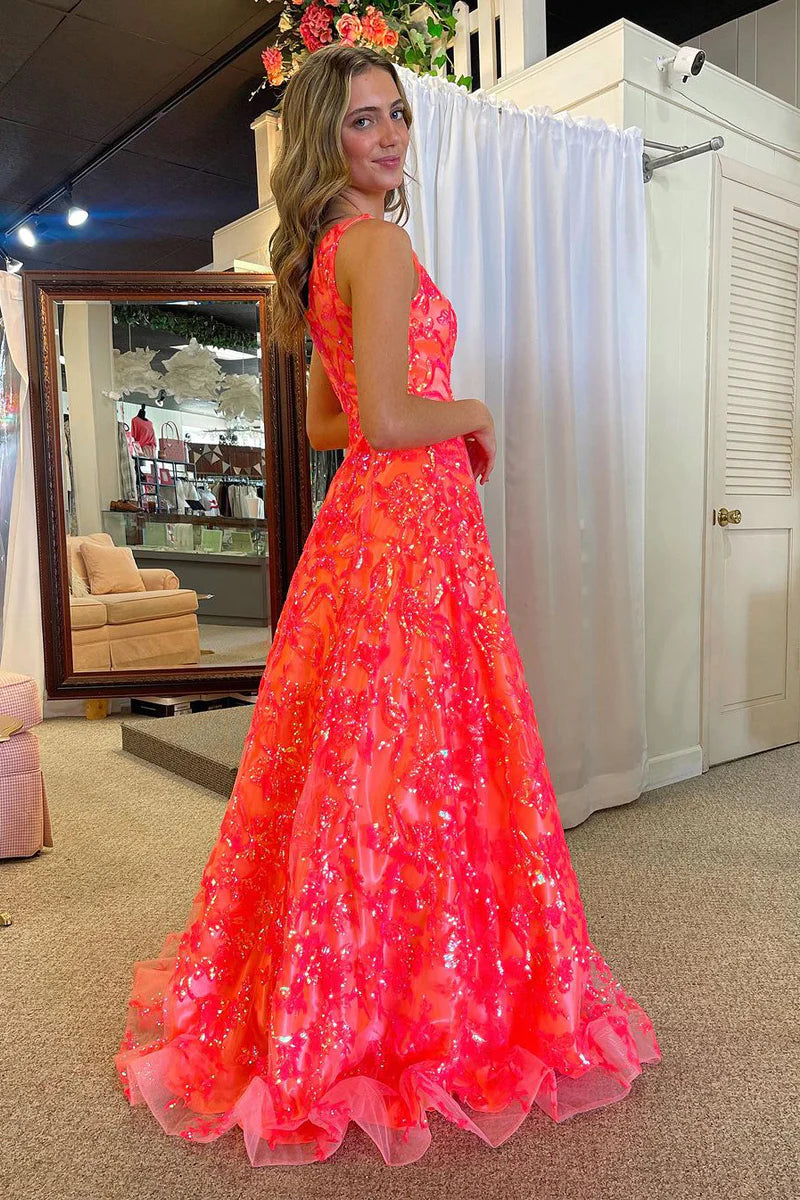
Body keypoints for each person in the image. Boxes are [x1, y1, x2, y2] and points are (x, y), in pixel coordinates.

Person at [114, 42, 661, 1167]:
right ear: (327, 140)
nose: (390, 136)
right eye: (363, 120)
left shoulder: (330, 256)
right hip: (408, 526)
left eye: (396, 115)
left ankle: (358, 982)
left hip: (369, 526)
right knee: (421, 753)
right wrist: (472, 411)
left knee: (366, 755)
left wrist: (422, 414)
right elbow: (385, 422)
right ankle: (410, 994)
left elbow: (329, 422)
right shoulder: (380, 245)